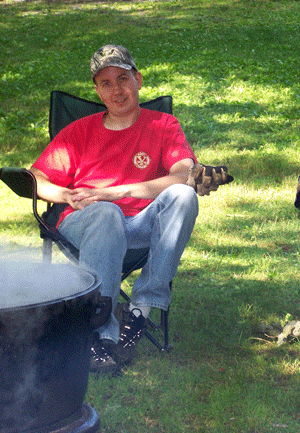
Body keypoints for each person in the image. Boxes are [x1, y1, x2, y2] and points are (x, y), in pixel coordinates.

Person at [30, 44, 200, 375]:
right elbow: (36, 178)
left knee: (184, 196)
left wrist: (114, 192)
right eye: (105, 83)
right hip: (86, 223)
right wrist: (66, 195)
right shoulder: (79, 132)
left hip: (140, 224)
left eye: (123, 79)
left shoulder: (163, 125)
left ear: (138, 80)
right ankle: (98, 333)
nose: (116, 90)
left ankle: (140, 312)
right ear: (97, 89)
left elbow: (183, 175)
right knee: (107, 214)